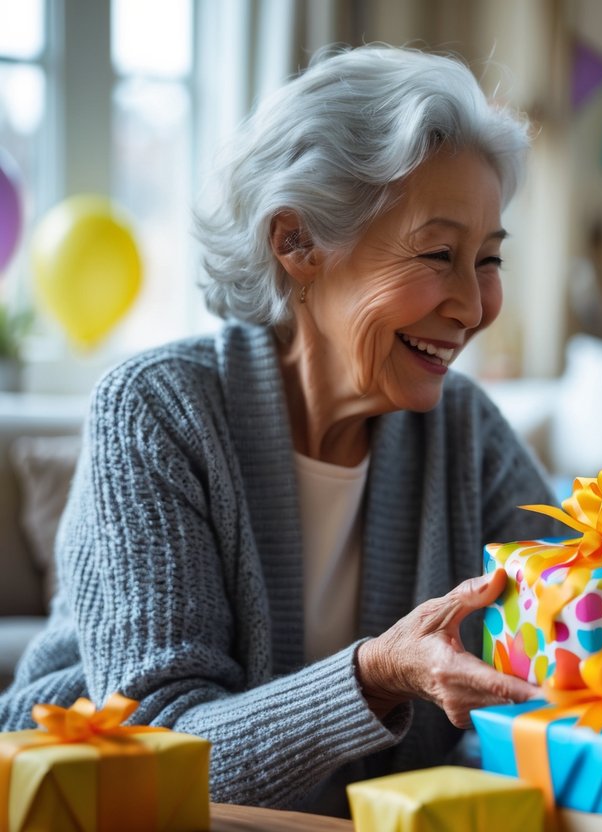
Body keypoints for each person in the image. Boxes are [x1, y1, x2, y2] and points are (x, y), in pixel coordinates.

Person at [0, 44, 562, 812]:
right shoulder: (158, 409)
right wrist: (376, 673)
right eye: (438, 253)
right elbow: (162, 748)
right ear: (296, 242)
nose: (472, 304)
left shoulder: (463, 429)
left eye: (488, 260)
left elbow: (576, 608)